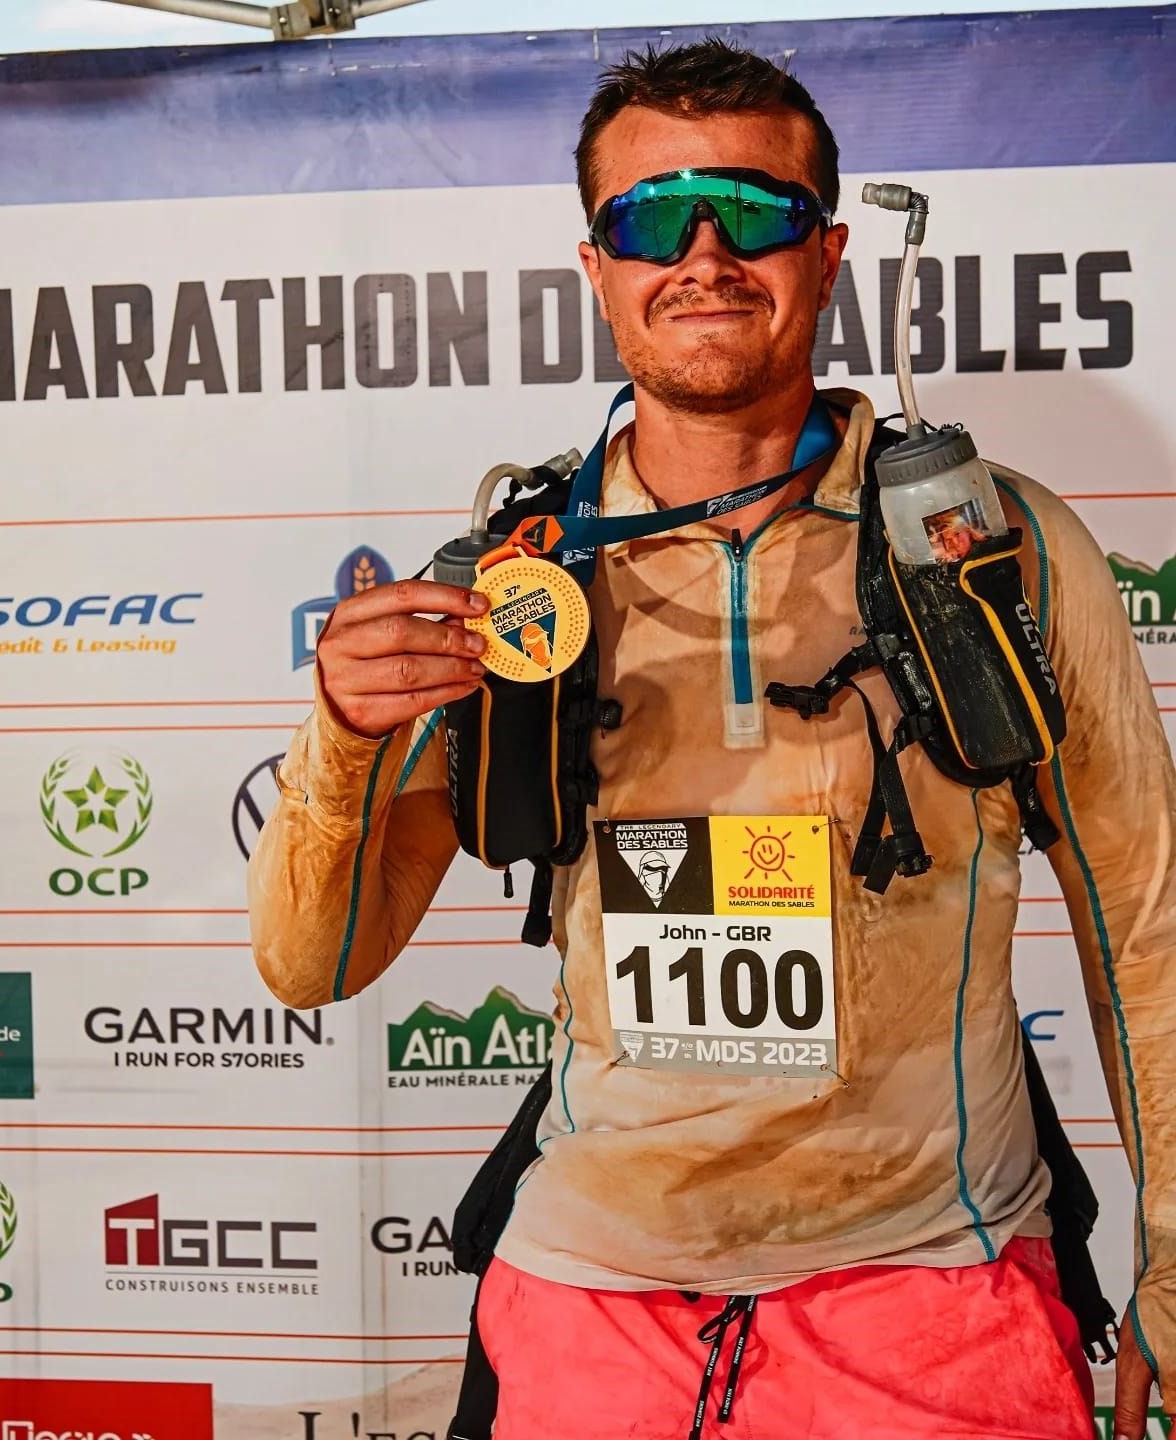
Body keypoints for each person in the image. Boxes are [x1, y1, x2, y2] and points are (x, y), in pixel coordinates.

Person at [248, 39, 1176, 1440]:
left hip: (936, 1297)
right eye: (648, 221)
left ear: (830, 250)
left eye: (753, 212)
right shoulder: (520, 579)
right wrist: (339, 741)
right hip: (587, 1308)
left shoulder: (991, 551)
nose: (702, 256)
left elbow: (1145, 931)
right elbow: (312, 962)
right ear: (596, 267)